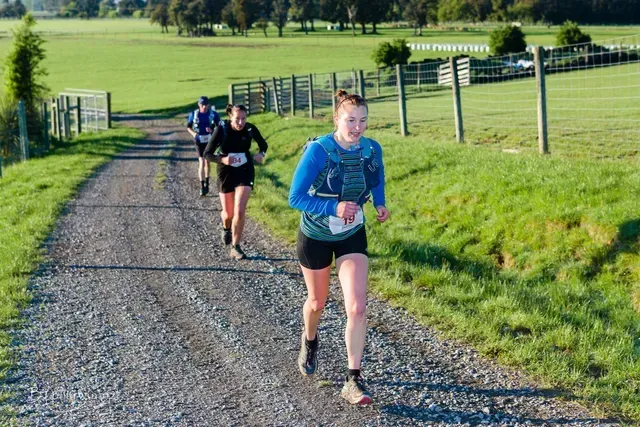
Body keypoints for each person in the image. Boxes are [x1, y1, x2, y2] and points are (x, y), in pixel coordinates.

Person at [288, 89, 389, 405]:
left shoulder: (371, 149)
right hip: (315, 235)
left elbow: (377, 178)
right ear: (336, 119)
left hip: (351, 234)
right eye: (350, 120)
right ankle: (310, 339)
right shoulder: (320, 150)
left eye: (363, 120)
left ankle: (353, 381)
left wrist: (380, 204)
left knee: (357, 307)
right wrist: (334, 208)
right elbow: (295, 197)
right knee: (317, 303)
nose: (357, 127)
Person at [203, 104, 268, 260]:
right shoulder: (222, 129)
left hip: (244, 169)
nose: (240, 123)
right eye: (237, 119)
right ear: (230, 117)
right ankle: (226, 228)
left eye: (243, 119)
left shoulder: (250, 129)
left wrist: (261, 154)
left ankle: (235, 246)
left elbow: (263, 144)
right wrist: (223, 159)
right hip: (226, 171)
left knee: (239, 210)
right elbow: (207, 154)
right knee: (228, 214)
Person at [187, 96, 221, 197]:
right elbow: (188, 127)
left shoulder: (213, 114)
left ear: (208, 105)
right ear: (199, 104)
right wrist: (194, 134)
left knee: (207, 161)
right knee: (201, 161)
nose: (204, 107)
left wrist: (213, 131)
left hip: (209, 140)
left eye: (206, 105)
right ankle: (202, 186)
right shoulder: (194, 114)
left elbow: (219, 127)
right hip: (198, 140)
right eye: (202, 105)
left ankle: (207, 181)